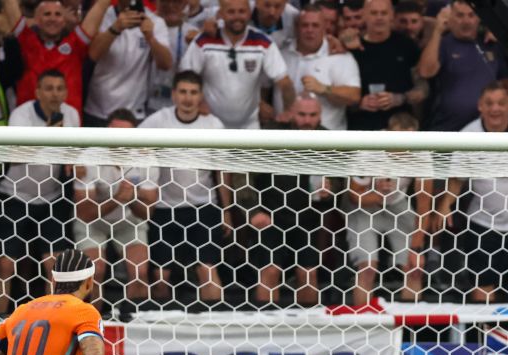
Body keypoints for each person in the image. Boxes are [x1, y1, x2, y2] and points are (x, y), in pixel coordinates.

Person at [436, 82, 508, 303]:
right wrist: (445, 205)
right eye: (489, 103)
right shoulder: (468, 134)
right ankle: (487, 335)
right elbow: (456, 179)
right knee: (482, 287)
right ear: (480, 106)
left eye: (500, 103)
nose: (495, 109)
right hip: (483, 222)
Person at [139, 70, 230, 309]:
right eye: (183, 92)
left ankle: (217, 327)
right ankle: (158, 331)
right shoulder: (157, 121)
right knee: (161, 277)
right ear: (174, 95)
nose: (188, 98)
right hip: (165, 208)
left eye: (193, 92)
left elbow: (222, 172)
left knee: (207, 271)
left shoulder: (213, 125)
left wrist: (227, 211)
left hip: (204, 206)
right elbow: (132, 147)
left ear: (201, 96)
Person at [0, 69, 80, 309]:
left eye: (60, 88)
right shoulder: (21, 115)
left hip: (51, 198)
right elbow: (16, 156)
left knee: (54, 267)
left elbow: (71, 155)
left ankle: (51, 318)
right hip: (14, 195)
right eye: (49, 88)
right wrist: (50, 135)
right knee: (5, 265)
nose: (55, 94)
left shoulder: (71, 115)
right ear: (38, 92)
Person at [247, 93, 330, 308]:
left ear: (320, 116)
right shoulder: (271, 136)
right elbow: (242, 175)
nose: (307, 120)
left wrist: (332, 191)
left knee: (308, 273)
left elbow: (340, 180)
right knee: (270, 270)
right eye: (302, 114)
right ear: (291, 113)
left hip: (308, 218)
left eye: (312, 115)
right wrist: (253, 209)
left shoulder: (329, 140)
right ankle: (265, 329)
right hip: (270, 215)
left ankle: (309, 330)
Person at [72, 109, 154, 319]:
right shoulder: (88, 157)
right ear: (106, 131)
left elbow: (148, 212)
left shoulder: (146, 156)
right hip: (93, 223)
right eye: (115, 133)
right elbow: (85, 212)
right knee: (95, 271)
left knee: (140, 272)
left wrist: (132, 196)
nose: (120, 140)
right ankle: (92, 324)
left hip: (128, 221)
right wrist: (118, 198)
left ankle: (135, 325)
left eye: (126, 134)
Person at [343, 111, 430, 305]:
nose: (405, 148)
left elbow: (424, 201)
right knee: (368, 267)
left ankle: (409, 328)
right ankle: (364, 325)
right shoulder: (369, 149)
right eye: (399, 141)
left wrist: (416, 248)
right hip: (366, 204)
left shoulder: (422, 151)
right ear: (387, 133)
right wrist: (376, 193)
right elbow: (354, 195)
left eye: (410, 143)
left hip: (397, 203)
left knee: (414, 267)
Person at [179, 0, 295, 129]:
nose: (237, 16)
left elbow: (285, 83)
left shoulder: (263, 42)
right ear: (221, 14)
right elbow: (185, 77)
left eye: (242, 11)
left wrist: (288, 112)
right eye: (231, 12)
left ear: (249, 13)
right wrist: (198, 103)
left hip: (249, 125)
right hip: (208, 122)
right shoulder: (204, 41)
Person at [0, 0, 113, 116]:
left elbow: (100, 6)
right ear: (37, 20)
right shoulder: (25, 40)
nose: (52, 19)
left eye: (58, 14)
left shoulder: (76, 45)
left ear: (64, 21)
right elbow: (9, 3)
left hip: (67, 125)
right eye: (47, 14)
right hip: (29, 124)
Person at [418, 0, 508, 132]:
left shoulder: (490, 44)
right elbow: (426, 72)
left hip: (485, 130)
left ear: (479, 18)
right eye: (460, 15)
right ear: (450, 18)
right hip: (449, 129)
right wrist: (438, 31)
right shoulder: (443, 43)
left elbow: (505, 82)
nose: (466, 21)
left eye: (471, 15)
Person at [84, 0, 172, 126]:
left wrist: (150, 38)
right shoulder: (104, 16)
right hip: (98, 109)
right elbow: (92, 55)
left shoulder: (155, 22)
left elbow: (166, 64)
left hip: (133, 112)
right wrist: (115, 28)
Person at [275, 3, 360, 130]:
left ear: (324, 28)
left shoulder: (340, 56)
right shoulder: (281, 54)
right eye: (305, 25)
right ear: (296, 27)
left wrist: (324, 89)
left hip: (327, 141)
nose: (310, 30)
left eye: (315, 25)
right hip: (285, 139)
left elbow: (354, 96)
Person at [344, 0, 425, 131]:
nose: (379, 17)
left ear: (392, 15)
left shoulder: (407, 45)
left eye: (384, 13)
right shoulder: (352, 48)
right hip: (362, 129)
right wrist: (359, 103)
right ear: (364, 15)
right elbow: (339, 94)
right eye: (374, 13)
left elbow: (423, 88)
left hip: (401, 129)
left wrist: (400, 98)